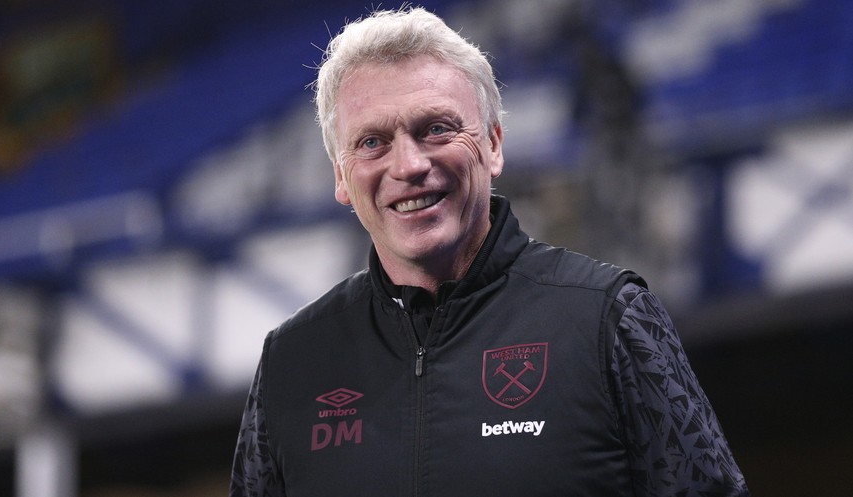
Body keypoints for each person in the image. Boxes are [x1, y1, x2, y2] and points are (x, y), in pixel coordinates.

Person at [230, 6, 749, 497]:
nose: (408, 164)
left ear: (494, 144)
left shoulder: (609, 320)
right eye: (372, 143)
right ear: (341, 177)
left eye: (435, 128)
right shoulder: (290, 364)